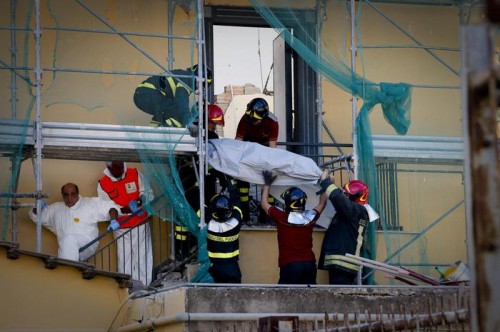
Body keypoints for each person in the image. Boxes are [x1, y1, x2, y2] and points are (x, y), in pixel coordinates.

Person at [260, 170, 327, 284]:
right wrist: (326, 184)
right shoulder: (310, 218)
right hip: (309, 264)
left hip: (290, 265)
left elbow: (264, 204)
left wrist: (267, 184)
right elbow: (322, 203)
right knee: (309, 298)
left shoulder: (281, 217)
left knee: (286, 298)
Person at [97, 161, 155, 285]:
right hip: (120, 227)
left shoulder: (134, 173)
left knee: (142, 257)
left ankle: (144, 286)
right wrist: (122, 211)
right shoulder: (103, 184)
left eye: (121, 167)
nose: (120, 171)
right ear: (108, 167)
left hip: (140, 223)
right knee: (124, 258)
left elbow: (148, 193)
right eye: (117, 169)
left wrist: (139, 202)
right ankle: (126, 287)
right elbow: (106, 207)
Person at [29, 183, 118, 261]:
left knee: (69, 239)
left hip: (87, 245)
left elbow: (112, 208)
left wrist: (113, 220)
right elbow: (39, 217)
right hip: (66, 248)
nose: (69, 198)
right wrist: (37, 207)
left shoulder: (89, 203)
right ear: (62, 196)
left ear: (77, 194)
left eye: (73, 194)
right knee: (67, 240)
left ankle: (67, 270)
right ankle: (68, 269)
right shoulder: (56, 209)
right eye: (66, 195)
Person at [317, 170, 370, 285]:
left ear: (356, 196)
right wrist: (332, 184)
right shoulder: (358, 211)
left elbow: (338, 199)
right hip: (345, 262)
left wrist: (326, 183)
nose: (344, 196)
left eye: (347, 194)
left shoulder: (356, 209)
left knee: (339, 297)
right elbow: (340, 200)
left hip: (343, 262)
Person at [234, 97, 279, 223]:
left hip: (265, 151)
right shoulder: (245, 119)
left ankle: (266, 218)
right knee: (242, 185)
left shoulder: (272, 122)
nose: (253, 121)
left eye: (256, 119)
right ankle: (244, 216)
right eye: (251, 118)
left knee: (267, 183)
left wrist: (272, 166)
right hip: (246, 151)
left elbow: (272, 147)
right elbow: (238, 143)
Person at [133, 64, 212, 127]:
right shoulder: (187, 80)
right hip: (147, 94)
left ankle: (155, 127)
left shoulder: (183, 75)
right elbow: (181, 104)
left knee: (166, 109)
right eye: (203, 84)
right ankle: (161, 129)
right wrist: (189, 124)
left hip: (143, 94)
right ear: (198, 78)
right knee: (177, 112)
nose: (202, 88)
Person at [206, 178, 243, 283]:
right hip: (231, 267)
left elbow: (201, 207)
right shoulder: (235, 222)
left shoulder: (207, 223)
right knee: (234, 293)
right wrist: (230, 183)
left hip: (213, 266)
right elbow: (237, 202)